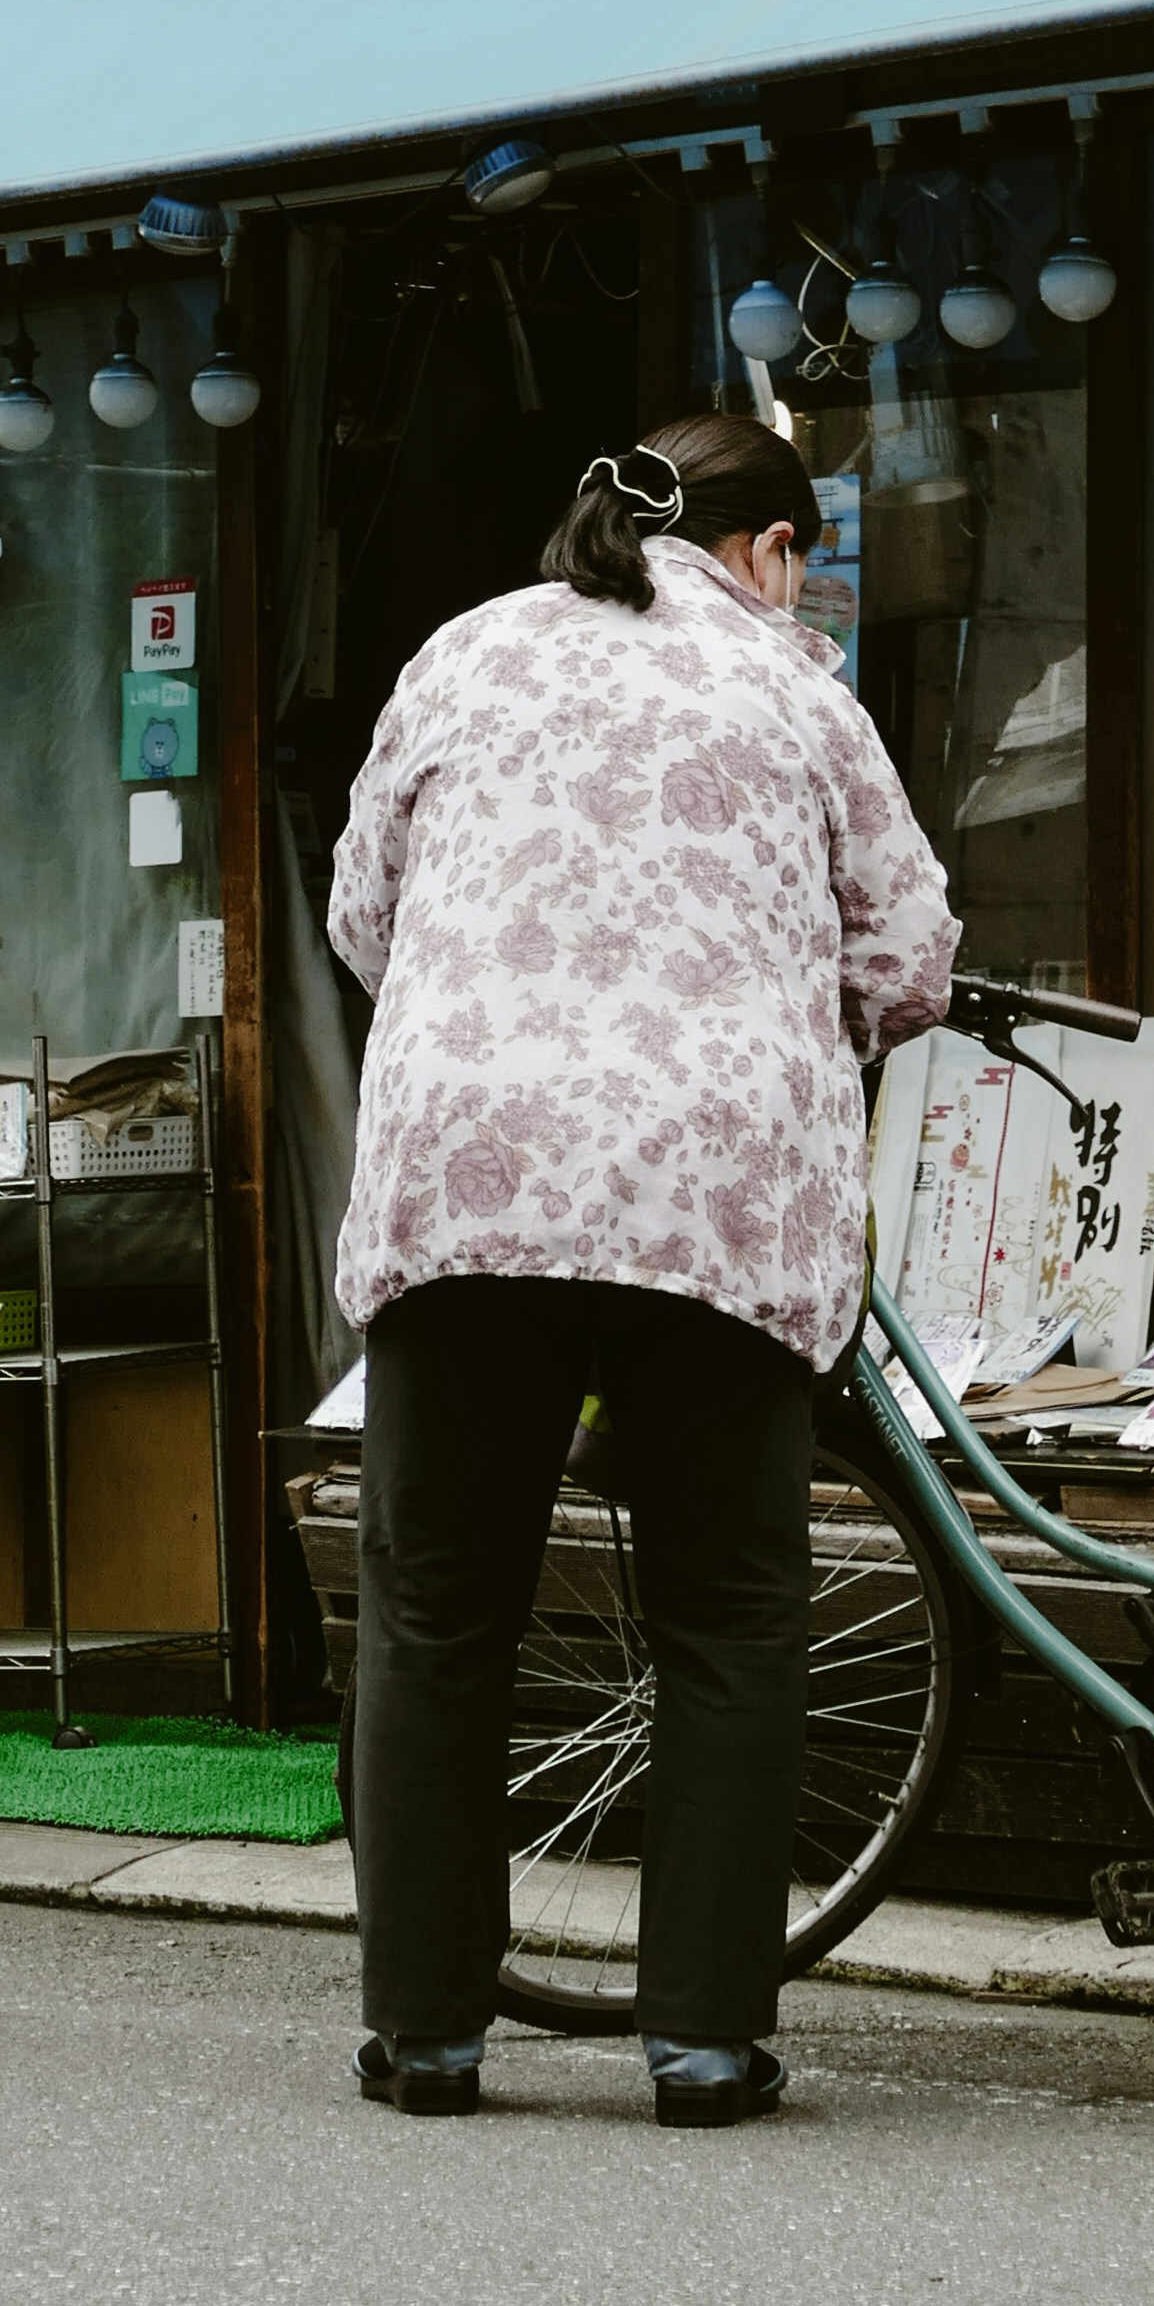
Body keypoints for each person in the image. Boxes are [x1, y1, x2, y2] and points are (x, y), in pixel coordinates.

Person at [324, 412, 957, 2126]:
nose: (804, 592)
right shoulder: (797, 696)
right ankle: (702, 2043)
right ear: (761, 553)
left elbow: (363, 915)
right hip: (714, 1200)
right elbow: (910, 957)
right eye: (804, 561)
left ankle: (430, 2037)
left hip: (475, 1181)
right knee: (732, 1618)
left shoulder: (463, 654)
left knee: (442, 1612)